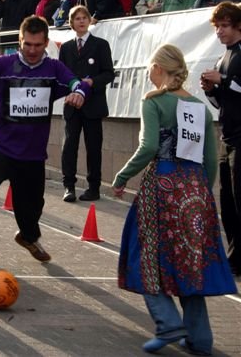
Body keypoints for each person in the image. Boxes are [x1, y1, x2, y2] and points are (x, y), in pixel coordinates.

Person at [113, 44, 237, 355]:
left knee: (145, 257)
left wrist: (122, 176)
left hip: (163, 187)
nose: (148, 72)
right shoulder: (199, 106)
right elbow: (210, 160)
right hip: (195, 191)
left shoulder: (153, 101)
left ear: (158, 68)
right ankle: (200, 338)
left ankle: (168, 323)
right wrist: (201, 193)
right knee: (189, 264)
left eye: (150, 66)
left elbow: (148, 146)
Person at [0, 15, 91, 281]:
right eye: (28, 44)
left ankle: (28, 236)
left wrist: (79, 92)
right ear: (19, 41)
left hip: (32, 153)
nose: (33, 50)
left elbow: (75, 82)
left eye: (38, 45)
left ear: (46, 43)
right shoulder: (4, 65)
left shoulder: (53, 69)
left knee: (31, 207)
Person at [201, 1, 241, 277]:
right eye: (217, 27)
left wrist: (223, 80)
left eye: (224, 26)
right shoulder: (222, 58)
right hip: (227, 136)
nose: (220, 32)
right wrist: (210, 89)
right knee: (227, 201)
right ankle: (234, 256)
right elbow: (222, 102)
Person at [59, 5, 114, 203]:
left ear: (89, 20)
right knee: (69, 146)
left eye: (84, 17)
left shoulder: (101, 45)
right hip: (73, 106)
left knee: (93, 147)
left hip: (93, 105)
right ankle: (68, 186)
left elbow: (109, 73)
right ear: (71, 23)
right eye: (77, 18)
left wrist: (92, 82)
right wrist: (69, 91)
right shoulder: (66, 48)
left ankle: (93, 187)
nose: (81, 21)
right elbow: (62, 75)